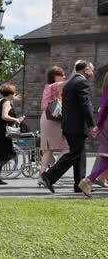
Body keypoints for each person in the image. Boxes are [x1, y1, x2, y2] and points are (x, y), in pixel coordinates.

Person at [41, 60, 96, 193]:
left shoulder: (70, 84)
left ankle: (80, 184)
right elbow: (85, 104)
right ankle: (48, 176)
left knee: (80, 154)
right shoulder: (82, 82)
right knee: (75, 153)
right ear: (86, 69)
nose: (93, 72)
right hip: (77, 126)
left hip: (69, 125)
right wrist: (92, 124)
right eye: (92, 70)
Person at [38, 66, 71, 186]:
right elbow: (68, 82)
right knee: (67, 148)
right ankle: (50, 174)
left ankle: (42, 176)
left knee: (48, 150)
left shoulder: (49, 87)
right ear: (55, 76)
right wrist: (75, 71)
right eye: (61, 75)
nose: (63, 77)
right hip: (52, 119)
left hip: (46, 118)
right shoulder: (53, 86)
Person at [0, 82, 24, 185]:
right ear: (11, 93)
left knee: (2, 155)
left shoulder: (3, 101)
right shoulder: (6, 102)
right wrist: (16, 119)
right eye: (14, 92)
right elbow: (4, 116)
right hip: (1, 130)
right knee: (9, 154)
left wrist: (13, 100)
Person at [79, 72, 108, 198]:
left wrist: (99, 125)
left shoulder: (105, 92)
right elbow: (103, 110)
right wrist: (99, 125)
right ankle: (88, 180)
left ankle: (90, 180)